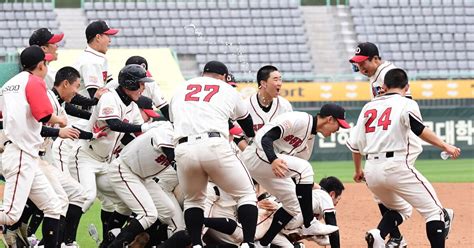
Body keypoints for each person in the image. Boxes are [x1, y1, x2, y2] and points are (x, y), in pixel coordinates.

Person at [346, 68, 460, 248]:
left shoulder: (369, 107)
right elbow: (419, 129)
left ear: (383, 86)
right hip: (396, 165)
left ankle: (378, 234)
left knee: (401, 209)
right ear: (407, 87)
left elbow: (355, 145)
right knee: (435, 212)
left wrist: (358, 170)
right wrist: (445, 145)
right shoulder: (406, 103)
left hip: (371, 170)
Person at [66, 64, 161, 245]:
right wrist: (143, 127)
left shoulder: (132, 107)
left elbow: (135, 136)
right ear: (130, 84)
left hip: (105, 163)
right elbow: (114, 123)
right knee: (85, 197)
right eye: (141, 83)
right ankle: (64, 241)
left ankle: (111, 237)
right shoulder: (110, 97)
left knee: (125, 201)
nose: (143, 87)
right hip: (85, 156)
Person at [169, 60, 257, 248]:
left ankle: (196, 244)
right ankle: (248, 243)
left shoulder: (181, 88)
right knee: (246, 194)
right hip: (214, 144)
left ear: (203, 74)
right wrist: (250, 136)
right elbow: (246, 119)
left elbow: (172, 118)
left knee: (194, 200)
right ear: (224, 77)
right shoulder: (226, 88)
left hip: (184, 147)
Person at [241, 104, 350, 247]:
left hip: (271, 168)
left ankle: (263, 244)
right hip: (257, 154)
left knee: (293, 205)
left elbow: (298, 176)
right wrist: (273, 159)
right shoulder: (299, 119)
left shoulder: (309, 140)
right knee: (306, 169)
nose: (338, 130)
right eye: (339, 125)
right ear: (330, 119)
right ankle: (309, 223)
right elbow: (266, 138)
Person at [0, 46, 65, 247]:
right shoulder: (34, 81)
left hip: (22, 152)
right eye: (45, 62)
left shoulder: (8, 85)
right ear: (40, 65)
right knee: (10, 216)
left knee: (53, 207)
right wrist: (60, 120)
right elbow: (43, 115)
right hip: (21, 152)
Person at [246, 65, 293, 133]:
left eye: (280, 79)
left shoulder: (284, 105)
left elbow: (291, 132)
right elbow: (238, 138)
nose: (279, 83)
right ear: (263, 83)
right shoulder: (246, 105)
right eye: (276, 80)